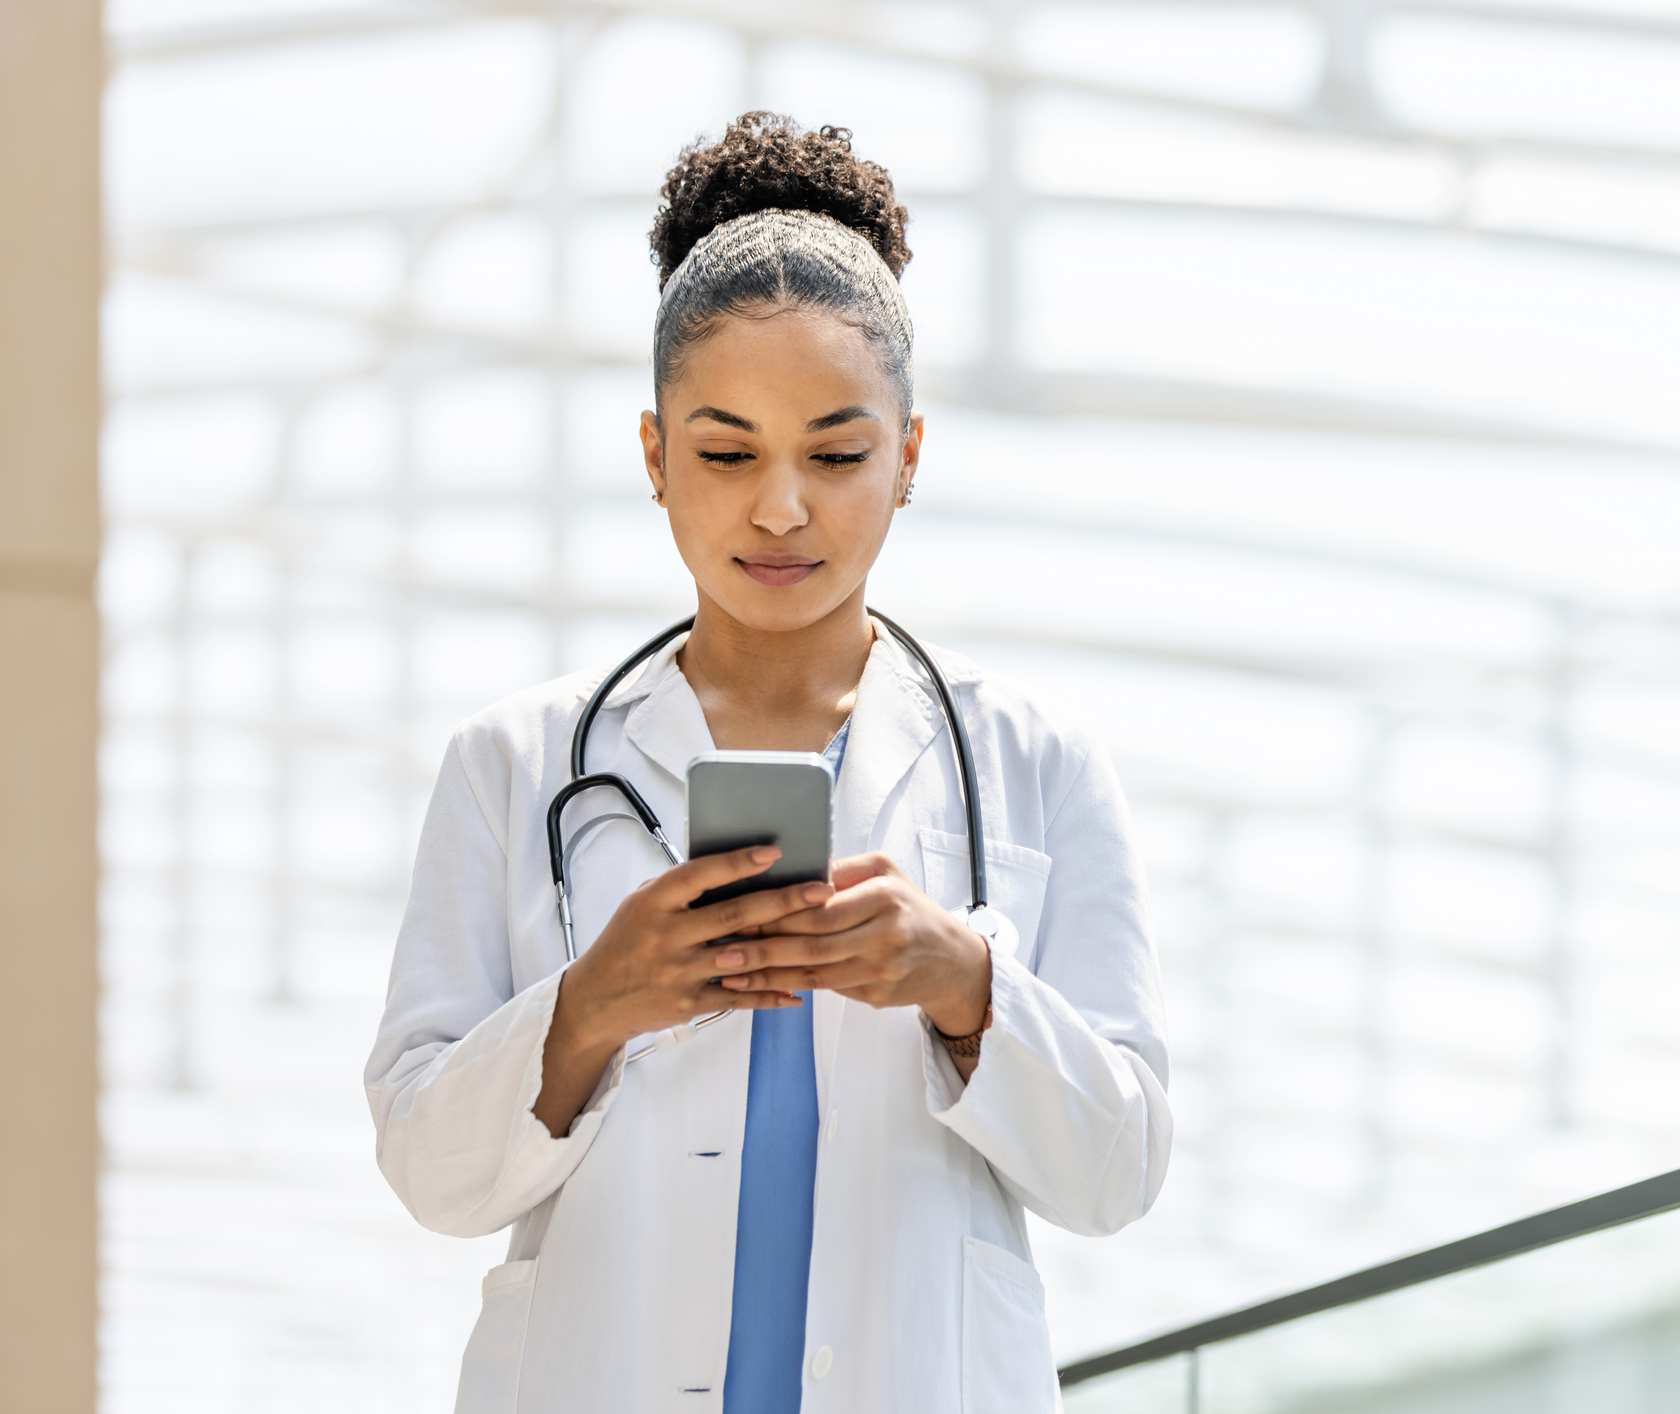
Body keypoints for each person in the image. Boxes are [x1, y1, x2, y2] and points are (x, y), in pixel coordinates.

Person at [363, 113, 1172, 1414]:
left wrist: (965, 982)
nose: (781, 507)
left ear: (908, 457)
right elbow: (427, 1166)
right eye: (727, 452)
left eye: (838, 454)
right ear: (653, 457)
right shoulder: (512, 769)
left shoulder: (1037, 765)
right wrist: (592, 1006)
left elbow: (1120, 1165)